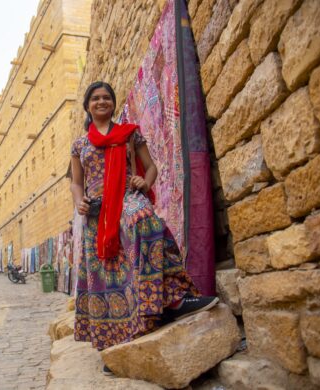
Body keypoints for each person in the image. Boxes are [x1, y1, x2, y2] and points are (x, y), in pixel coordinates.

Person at [70, 81, 218, 375]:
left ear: (113, 104)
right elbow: (76, 181)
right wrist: (79, 202)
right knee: (108, 276)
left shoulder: (129, 134)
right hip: (96, 213)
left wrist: (145, 183)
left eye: (106, 98)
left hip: (126, 198)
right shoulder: (79, 144)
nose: (101, 102)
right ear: (88, 106)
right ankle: (113, 349)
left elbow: (151, 167)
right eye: (95, 98)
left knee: (148, 223)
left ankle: (172, 300)